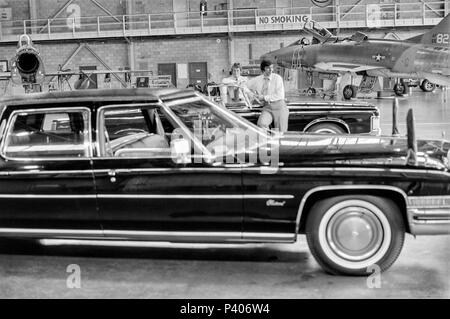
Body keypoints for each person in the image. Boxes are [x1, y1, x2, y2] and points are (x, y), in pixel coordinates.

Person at [245, 60, 289, 132]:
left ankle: (276, 141)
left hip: (279, 106)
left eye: (272, 67)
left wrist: (263, 97)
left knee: (281, 132)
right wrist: (251, 94)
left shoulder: (277, 78)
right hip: (267, 107)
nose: (271, 70)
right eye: (268, 68)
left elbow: (280, 95)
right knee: (261, 124)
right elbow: (244, 85)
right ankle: (268, 140)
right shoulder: (258, 79)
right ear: (263, 69)